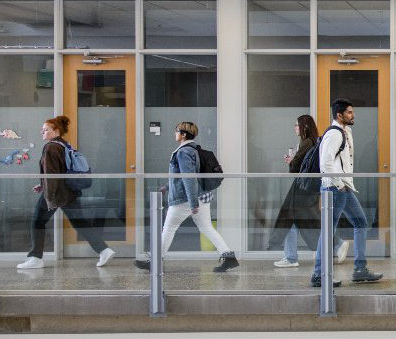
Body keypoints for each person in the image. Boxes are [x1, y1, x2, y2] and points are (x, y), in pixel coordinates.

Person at [135, 122, 239, 273]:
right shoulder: (193, 149)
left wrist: (192, 202)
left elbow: (188, 178)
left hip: (186, 198)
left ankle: (154, 261)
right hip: (201, 195)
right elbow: (181, 176)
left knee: (169, 228)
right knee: (206, 228)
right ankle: (229, 257)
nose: (174, 133)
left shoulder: (184, 152)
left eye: (176, 131)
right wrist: (168, 187)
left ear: (183, 134)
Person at [16, 116, 115, 269]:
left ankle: (35, 258)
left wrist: (49, 196)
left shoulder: (50, 147)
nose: (42, 131)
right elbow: (59, 172)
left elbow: (52, 175)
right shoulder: (63, 144)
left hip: (57, 193)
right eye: (42, 129)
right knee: (79, 222)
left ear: (56, 131)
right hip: (69, 192)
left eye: (46, 129)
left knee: (37, 221)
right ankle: (104, 250)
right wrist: (43, 185)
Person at [311, 98, 383, 287]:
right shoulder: (334, 134)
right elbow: (325, 164)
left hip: (344, 188)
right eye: (350, 112)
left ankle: (360, 269)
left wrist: (344, 184)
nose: (353, 115)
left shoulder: (345, 132)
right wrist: (338, 183)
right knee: (328, 231)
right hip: (335, 188)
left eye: (353, 111)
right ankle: (318, 274)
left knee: (361, 222)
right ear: (339, 115)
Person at [267, 115, 351, 267]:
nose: (295, 128)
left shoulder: (306, 143)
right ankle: (291, 256)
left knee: (304, 221)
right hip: (306, 186)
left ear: (304, 127)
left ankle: (336, 244)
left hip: (302, 187)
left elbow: (295, 168)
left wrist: (291, 161)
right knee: (295, 221)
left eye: (297, 125)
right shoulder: (310, 142)